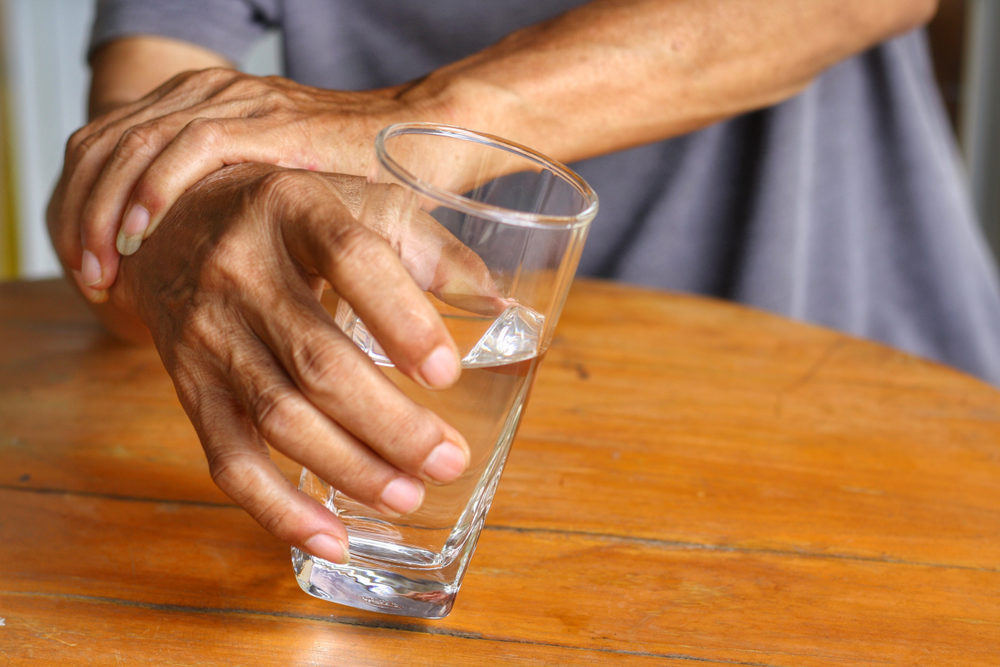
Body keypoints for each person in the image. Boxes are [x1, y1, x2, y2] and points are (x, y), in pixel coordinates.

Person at [47, 0, 1000, 564]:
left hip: (860, 400)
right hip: (467, 441)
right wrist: (194, 215)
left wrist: (417, 123)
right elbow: (143, 118)